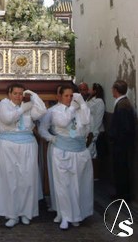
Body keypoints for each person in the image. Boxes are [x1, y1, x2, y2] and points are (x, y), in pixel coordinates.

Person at [0, 83, 46, 227]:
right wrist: (23, 109)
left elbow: (41, 111)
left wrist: (33, 95)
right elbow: (8, 119)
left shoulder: (27, 105)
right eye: (15, 93)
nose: (18, 96)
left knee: (27, 179)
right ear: (9, 94)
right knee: (10, 179)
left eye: (21, 93)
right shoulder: (3, 104)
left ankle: (26, 213)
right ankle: (12, 215)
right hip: (8, 145)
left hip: (27, 144)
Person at [50, 86, 93, 230]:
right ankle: (66, 216)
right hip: (63, 151)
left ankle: (77, 215)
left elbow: (87, 121)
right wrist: (73, 108)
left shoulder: (79, 108)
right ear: (61, 97)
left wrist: (82, 104)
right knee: (64, 185)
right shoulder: (56, 110)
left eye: (71, 96)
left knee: (78, 185)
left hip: (80, 151)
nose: (69, 98)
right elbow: (62, 122)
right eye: (66, 96)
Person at [109, 80, 136, 202]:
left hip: (121, 144)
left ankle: (124, 195)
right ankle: (121, 193)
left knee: (122, 169)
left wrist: (115, 138)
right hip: (121, 143)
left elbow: (125, 127)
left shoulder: (122, 105)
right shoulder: (122, 103)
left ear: (115, 90)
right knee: (120, 169)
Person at [38, 85, 62, 213]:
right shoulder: (51, 111)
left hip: (76, 149)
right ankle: (58, 206)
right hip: (58, 147)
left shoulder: (78, 109)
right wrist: (51, 138)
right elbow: (43, 129)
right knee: (58, 181)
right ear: (58, 96)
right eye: (64, 94)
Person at [86, 83, 105, 179]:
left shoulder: (99, 102)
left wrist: (95, 133)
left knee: (92, 152)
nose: (89, 90)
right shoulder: (90, 99)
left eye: (91, 88)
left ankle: (94, 175)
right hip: (88, 129)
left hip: (94, 129)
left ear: (95, 91)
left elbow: (98, 118)